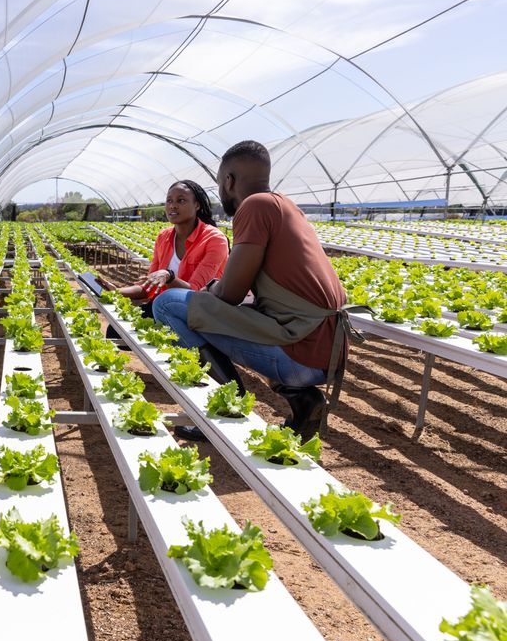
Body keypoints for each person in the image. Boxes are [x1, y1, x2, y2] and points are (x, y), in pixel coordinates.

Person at [152, 140, 348, 442]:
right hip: (327, 351)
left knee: (168, 304)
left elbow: (229, 294)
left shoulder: (254, 206)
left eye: (220, 183)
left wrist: (211, 289)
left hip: (299, 353)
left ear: (229, 181)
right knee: (202, 310)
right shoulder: (285, 205)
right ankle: (302, 401)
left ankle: (229, 404)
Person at [101, 180, 229, 336]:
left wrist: (169, 276)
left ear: (197, 205)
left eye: (181, 200)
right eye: (169, 201)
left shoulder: (214, 239)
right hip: (164, 307)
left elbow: (196, 293)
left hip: (199, 312)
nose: (173, 206)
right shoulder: (164, 237)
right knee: (114, 331)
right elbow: (150, 285)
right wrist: (116, 291)